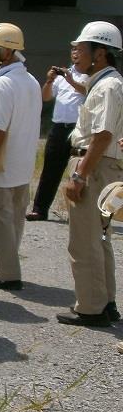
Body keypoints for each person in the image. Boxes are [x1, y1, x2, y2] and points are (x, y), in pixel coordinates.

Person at [58, 21, 123, 327]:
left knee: (84, 239)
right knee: (100, 237)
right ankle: (106, 302)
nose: (74, 54)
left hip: (94, 166)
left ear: (100, 54)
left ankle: (90, 307)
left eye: (80, 49)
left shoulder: (108, 86)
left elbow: (102, 135)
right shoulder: (104, 82)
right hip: (102, 165)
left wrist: (80, 175)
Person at [0, 23, 41, 291]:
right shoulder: (30, 80)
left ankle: (8, 273)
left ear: (5, 51)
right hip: (22, 163)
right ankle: (5, 264)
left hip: (3, 164)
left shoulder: (4, 83)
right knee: (13, 219)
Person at [27, 59, 88, 221]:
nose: (76, 54)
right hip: (59, 127)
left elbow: (89, 91)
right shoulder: (62, 75)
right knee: (50, 169)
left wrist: (72, 81)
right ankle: (40, 209)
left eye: (80, 50)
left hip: (80, 128)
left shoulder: (92, 74)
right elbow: (46, 97)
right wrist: (49, 80)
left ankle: (81, 214)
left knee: (79, 169)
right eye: (74, 50)